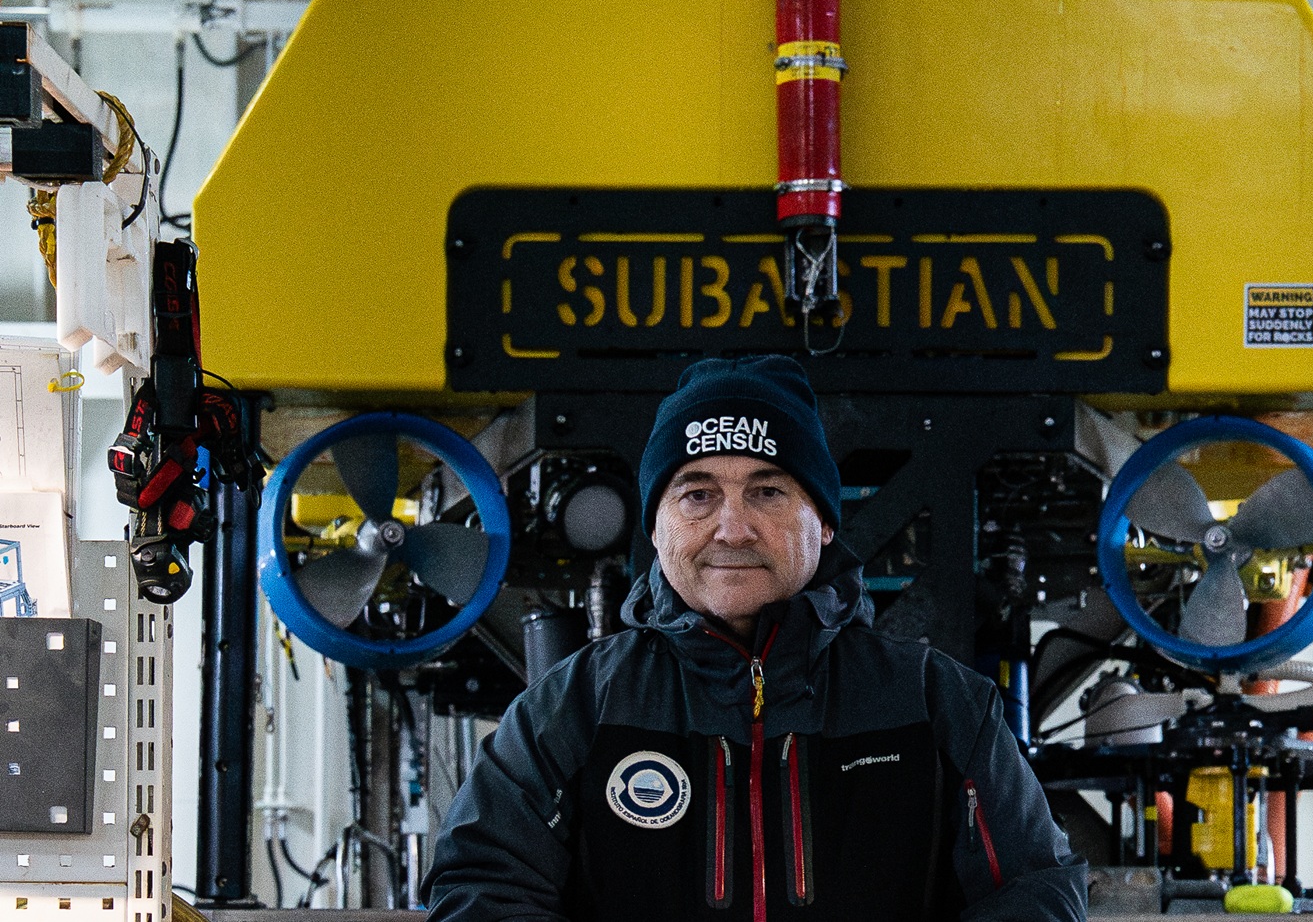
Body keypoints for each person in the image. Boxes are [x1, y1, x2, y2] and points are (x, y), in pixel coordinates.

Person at [422, 355, 1088, 921]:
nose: (732, 528)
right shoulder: (572, 708)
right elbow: (480, 889)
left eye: (767, 492)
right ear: (655, 527)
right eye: (696, 494)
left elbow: (1035, 893)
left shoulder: (938, 704)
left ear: (823, 523)